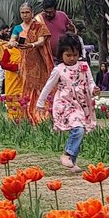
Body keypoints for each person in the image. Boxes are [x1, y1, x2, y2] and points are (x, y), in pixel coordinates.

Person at [36, 33, 96, 170]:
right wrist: (40, 103)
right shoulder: (59, 70)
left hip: (81, 103)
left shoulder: (84, 66)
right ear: (61, 54)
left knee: (80, 129)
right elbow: (48, 86)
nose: (72, 58)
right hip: (65, 104)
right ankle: (67, 154)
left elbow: (90, 82)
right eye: (68, 55)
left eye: (75, 55)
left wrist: (94, 89)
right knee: (79, 129)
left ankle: (72, 162)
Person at [2, 26, 24, 120]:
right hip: (12, 79)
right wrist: (17, 67)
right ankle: (13, 118)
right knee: (12, 99)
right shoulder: (9, 50)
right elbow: (3, 64)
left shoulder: (26, 50)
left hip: (23, 80)